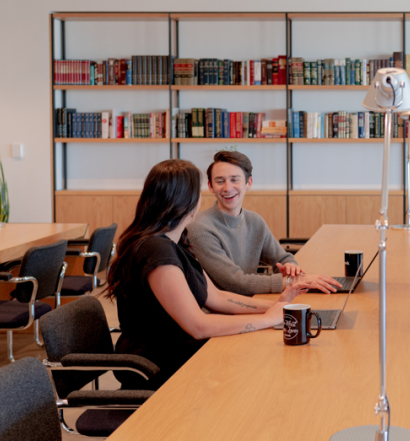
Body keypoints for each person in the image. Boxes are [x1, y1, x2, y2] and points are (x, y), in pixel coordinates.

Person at [105, 159, 308, 389]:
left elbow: (218, 298)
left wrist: (277, 306)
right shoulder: (156, 251)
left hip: (181, 352)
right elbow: (198, 325)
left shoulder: (175, 242)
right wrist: (267, 319)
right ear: (187, 200)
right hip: (159, 366)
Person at [187, 151, 341, 296]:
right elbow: (235, 283)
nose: (227, 188)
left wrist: (290, 267)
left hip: (250, 302)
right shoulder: (200, 228)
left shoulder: (254, 220)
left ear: (249, 183)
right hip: (218, 313)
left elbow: (282, 258)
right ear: (210, 187)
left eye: (235, 180)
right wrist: (292, 281)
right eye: (220, 181)